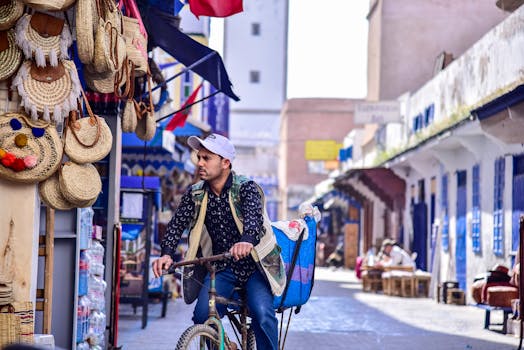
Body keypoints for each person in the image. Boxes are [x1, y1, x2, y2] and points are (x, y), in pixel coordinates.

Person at [152, 133, 285, 350]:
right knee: (202, 315)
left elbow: (254, 220)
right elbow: (176, 226)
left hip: (255, 267)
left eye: (207, 158)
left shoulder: (246, 188)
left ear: (225, 163)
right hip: (222, 267)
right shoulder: (195, 194)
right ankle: (225, 344)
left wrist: (246, 241)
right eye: (199, 157)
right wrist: (166, 253)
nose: (200, 163)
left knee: (262, 315)